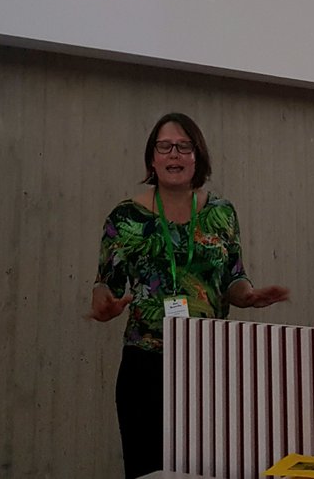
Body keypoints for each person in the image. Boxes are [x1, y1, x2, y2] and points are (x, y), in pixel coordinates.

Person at [89, 112, 289, 479]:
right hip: (147, 364)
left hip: (209, 363)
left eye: (184, 146)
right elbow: (107, 284)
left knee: (208, 469)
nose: (174, 155)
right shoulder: (125, 217)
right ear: (152, 157)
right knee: (150, 469)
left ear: (198, 156)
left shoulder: (221, 212)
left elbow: (234, 277)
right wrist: (104, 306)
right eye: (165, 147)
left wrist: (248, 296)